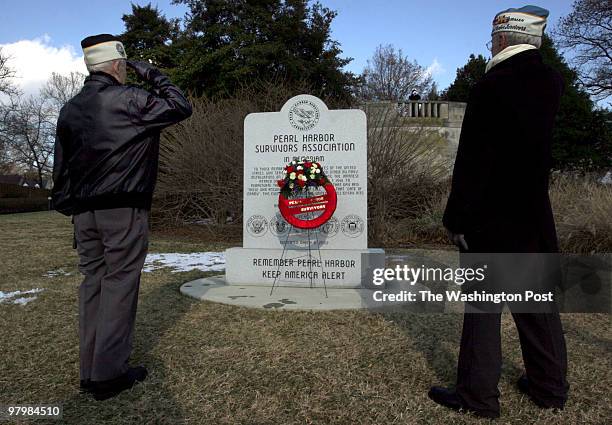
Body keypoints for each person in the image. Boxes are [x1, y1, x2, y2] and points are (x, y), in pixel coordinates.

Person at [429, 6, 569, 418]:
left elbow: (475, 161)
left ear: (505, 38)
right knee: (537, 306)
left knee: (483, 312)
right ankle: (549, 387)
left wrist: (457, 218)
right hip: (533, 213)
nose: (490, 43)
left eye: (494, 37)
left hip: (491, 217)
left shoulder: (492, 85)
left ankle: (477, 397)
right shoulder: (551, 81)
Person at [51, 34, 192, 400]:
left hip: (84, 214)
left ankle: (90, 370)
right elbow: (179, 105)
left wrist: (73, 209)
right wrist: (151, 72)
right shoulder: (131, 99)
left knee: (93, 284)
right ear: (118, 65)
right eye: (126, 66)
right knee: (119, 284)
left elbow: (61, 169)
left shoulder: (70, 108)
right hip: (122, 209)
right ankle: (108, 374)